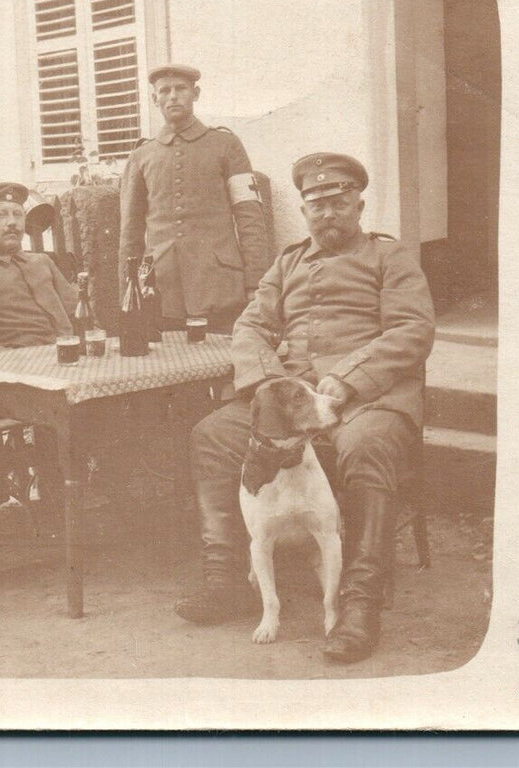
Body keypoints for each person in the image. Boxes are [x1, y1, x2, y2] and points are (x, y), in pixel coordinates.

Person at [178, 153, 436, 663]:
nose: (328, 215)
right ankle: (225, 575)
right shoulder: (287, 264)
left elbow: (412, 329)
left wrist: (348, 381)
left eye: (339, 203)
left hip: (369, 397)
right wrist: (275, 387)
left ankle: (360, 601)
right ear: (303, 211)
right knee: (213, 435)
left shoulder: (390, 258)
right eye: (317, 206)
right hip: (294, 399)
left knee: (365, 446)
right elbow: (250, 327)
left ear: (360, 205)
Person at [119, 63, 271, 333]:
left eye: (181, 89)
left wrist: (254, 282)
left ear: (196, 93)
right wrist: (128, 291)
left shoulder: (226, 145)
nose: (173, 96)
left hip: (220, 288)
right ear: (155, 99)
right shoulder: (142, 156)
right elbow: (130, 232)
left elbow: (250, 218)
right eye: (164, 91)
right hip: (162, 291)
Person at [0, 182, 78, 353]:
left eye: (18, 215)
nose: (12, 222)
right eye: (1, 215)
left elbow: (78, 316)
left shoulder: (42, 262)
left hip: (65, 357)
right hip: (16, 367)